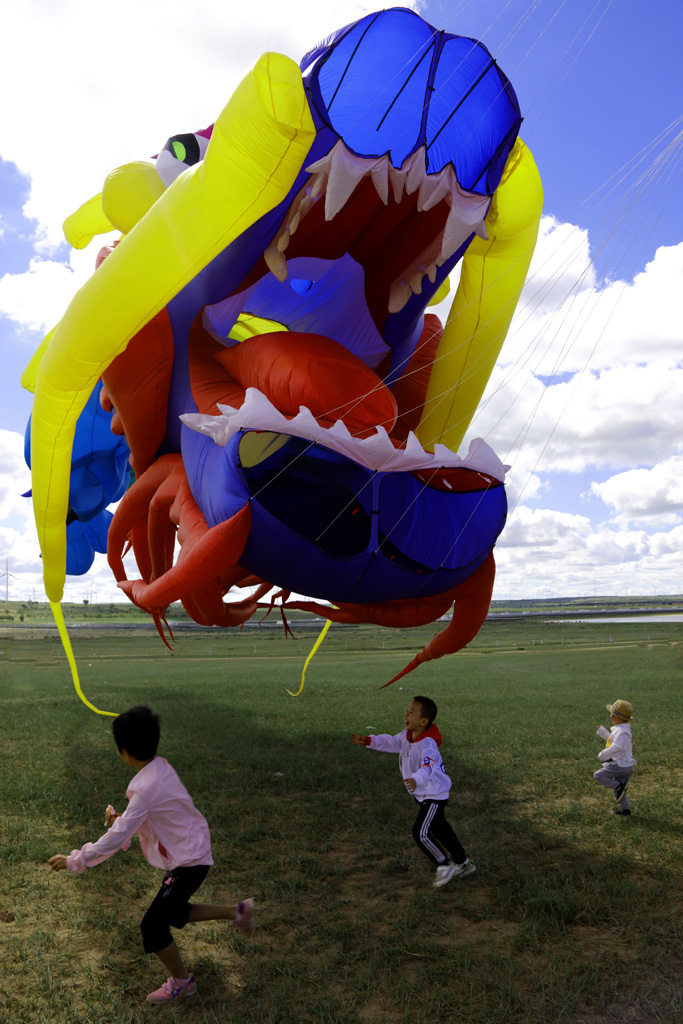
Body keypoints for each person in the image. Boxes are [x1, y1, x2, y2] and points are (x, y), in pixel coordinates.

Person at [48, 705, 254, 1004]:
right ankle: (239, 911)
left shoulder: (144, 788)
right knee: (173, 911)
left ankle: (183, 982)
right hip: (193, 849)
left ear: (124, 752)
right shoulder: (160, 768)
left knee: (153, 926)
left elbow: (117, 837)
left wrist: (75, 860)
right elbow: (151, 815)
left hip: (190, 859)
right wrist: (125, 819)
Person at [350, 695, 475, 888]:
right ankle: (463, 863)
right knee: (441, 830)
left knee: (420, 832)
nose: (406, 714)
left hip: (433, 795)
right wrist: (368, 740)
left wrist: (416, 780)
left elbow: (427, 768)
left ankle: (444, 864)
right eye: (407, 710)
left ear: (424, 721)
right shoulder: (407, 736)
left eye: (411, 712)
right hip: (423, 794)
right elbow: (390, 742)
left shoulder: (428, 745)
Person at [594, 699, 636, 816]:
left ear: (617, 718)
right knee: (620, 791)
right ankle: (625, 810)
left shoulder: (621, 732)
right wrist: (603, 732)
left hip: (620, 765)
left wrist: (603, 754)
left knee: (598, 775)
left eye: (612, 714)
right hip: (627, 766)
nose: (610, 716)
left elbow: (616, 746)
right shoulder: (623, 730)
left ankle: (619, 787)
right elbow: (614, 741)